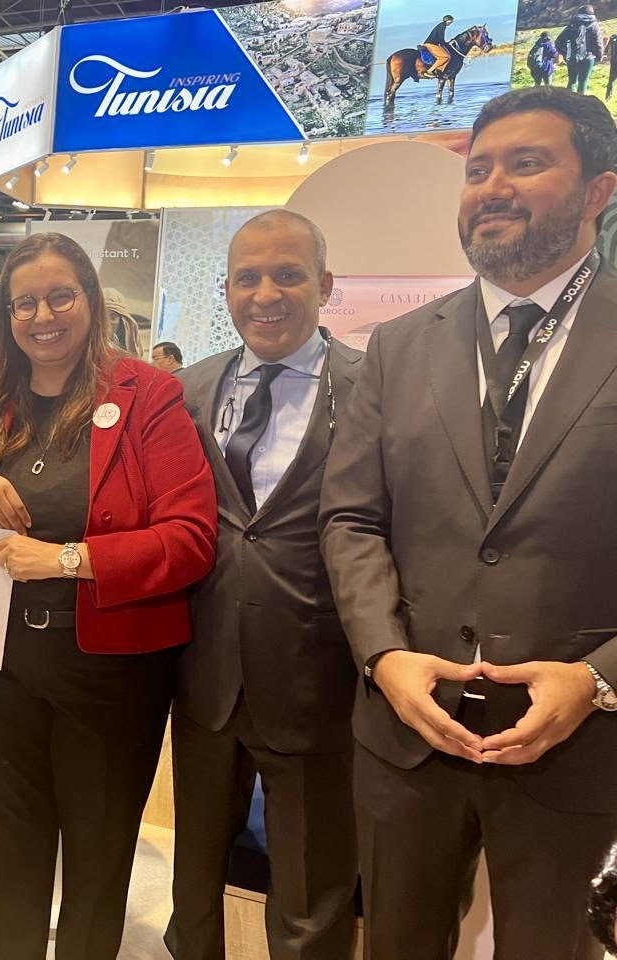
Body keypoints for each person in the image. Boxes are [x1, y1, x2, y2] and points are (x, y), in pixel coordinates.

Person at [320, 86, 617, 960]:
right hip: (408, 736)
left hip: (579, 747)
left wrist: (597, 679)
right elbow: (351, 517)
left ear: (598, 190)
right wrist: (384, 655)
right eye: (478, 170)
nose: (493, 187)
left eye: (527, 164)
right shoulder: (399, 346)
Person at [0, 232, 217, 959]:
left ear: (91, 300)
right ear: (6, 316)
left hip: (111, 673)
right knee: (7, 850)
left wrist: (66, 559)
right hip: (2, 669)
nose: (42, 316)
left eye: (60, 297)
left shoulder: (147, 394)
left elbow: (190, 538)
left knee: (98, 854)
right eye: (24, 303)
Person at [165, 210, 361, 960]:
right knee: (193, 881)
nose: (266, 294)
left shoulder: (371, 387)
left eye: (288, 275)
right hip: (205, 674)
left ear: (326, 285)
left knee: (312, 892)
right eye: (247, 277)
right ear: (226, 289)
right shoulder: (188, 389)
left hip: (319, 682)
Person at [558, 4, 604, 95]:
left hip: (573, 56)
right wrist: (599, 56)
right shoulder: (594, 25)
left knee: (572, 82)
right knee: (583, 82)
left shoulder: (573, 23)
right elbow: (598, 42)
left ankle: (568, 101)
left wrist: (565, 53)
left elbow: (559, 41)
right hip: (588, 58)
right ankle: (580, 102)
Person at [104, 286, 142, 355]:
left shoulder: (125, 341)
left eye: (113, 317)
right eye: (102, 316)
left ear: (121, 321)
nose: (107, 322)